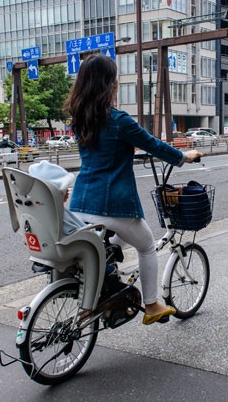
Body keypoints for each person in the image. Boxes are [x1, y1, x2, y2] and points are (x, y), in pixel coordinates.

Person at [64, 53, 203, 326]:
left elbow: (103, 150)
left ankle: (109, 274)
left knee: (122, 237)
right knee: (147, 245)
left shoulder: (79, 118)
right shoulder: (119, 120)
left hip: (80, 203)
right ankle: (151, 304)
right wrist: (183, 157)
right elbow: (153, 144)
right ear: (109, 84)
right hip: (111, 204)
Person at [28, 160, 85, 235]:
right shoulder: (59, 214)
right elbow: (78, 232)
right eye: (65, 189)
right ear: (56, 191)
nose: (68, 191)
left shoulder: (34, 210)